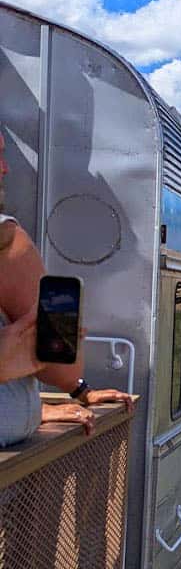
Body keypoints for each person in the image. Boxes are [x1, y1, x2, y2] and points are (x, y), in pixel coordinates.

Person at [0, 132, 134, 444]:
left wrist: (67, 395)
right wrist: (73, 380)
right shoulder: (6, 240)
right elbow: (59, 368)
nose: (5, 168)